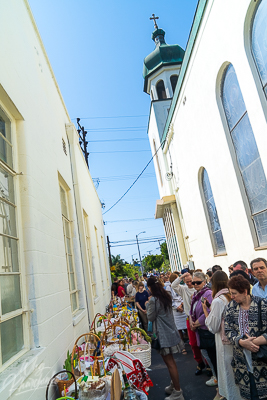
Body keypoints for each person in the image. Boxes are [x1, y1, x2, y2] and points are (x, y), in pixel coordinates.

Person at [225, 275, 267, 400]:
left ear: (245, 292)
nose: (231, 296)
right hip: (242, 364)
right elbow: (227, 330)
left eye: (234, 293)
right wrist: (241, 342)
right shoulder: (231, 307)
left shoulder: (263, 304)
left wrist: (254, 342)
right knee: (250, 395)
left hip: (262, 362)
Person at [202, 271, 242, 400]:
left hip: (224, 341)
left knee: (228, 373)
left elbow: (213, 327)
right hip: (236, 338)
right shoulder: (231, 295)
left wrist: (206, 312)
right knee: (236, 372)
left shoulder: (218, 300)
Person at [146, 276, 185, 400]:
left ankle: (178, 392)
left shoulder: (153, 300)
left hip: (163, 335)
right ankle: (174, 386)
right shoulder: (166, 294)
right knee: (171, 362)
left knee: (170, 363)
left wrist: (147, 305)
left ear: (151, 287)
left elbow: (150, 317)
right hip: (171, 331)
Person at [172, 272, 205, 375]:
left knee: (204, 343)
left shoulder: (201, 290)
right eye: (188, 282)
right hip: (189, 318)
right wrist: (181, 277)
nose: (191, 284)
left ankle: (208, 364)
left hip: (201, 318)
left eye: (193, 281)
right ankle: (200, 362)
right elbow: (173, 285)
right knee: (194, 344)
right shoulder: (184, 289)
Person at [190, 272, 217, 386]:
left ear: (204, 282)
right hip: (200, 329)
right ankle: (215, 376)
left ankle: (216, 377)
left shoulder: (208, 293)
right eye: (193, 282)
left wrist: (196, 323)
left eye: (198, 282)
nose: (195, 284)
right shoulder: (196, 294)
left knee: (211, 355)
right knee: (206, 354)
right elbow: (192, 310)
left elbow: (210, 310)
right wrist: (191, 320)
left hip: (206, 329)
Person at [166, 273, 187, 349]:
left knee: (186, 327)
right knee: (179, 329)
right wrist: (177, 306)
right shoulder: (168, 288)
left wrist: (181, 305)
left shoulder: (181, 287)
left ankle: (190, 342)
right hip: (175, 309)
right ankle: (182, 346)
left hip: (183, 307)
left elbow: (183, 296)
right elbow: (169, 300)